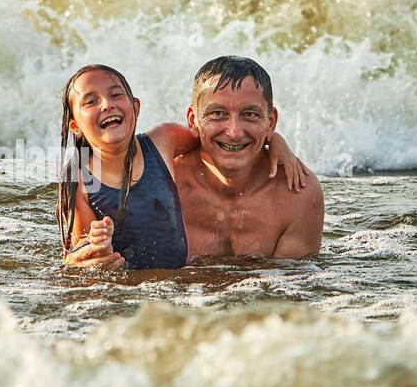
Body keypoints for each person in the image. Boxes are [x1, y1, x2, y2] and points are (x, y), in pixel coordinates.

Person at [56, 63, 310, 268]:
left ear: (136, 107)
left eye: (115, 94)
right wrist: (96, 251)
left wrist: (273, 139)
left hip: (177, 284)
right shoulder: (79, 178)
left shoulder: (164, 141)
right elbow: (78, 250)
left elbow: (213, 136)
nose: (106, 104)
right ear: (75, 126)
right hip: (134, 291)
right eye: (90, 101)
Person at [170, 56, 323, 260]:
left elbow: (291, 284)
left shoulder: (298, 195)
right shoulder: (164, 185)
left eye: (250, 114)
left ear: (271, 122)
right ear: (193, 120)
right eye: (217, 113)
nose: (234, 132)